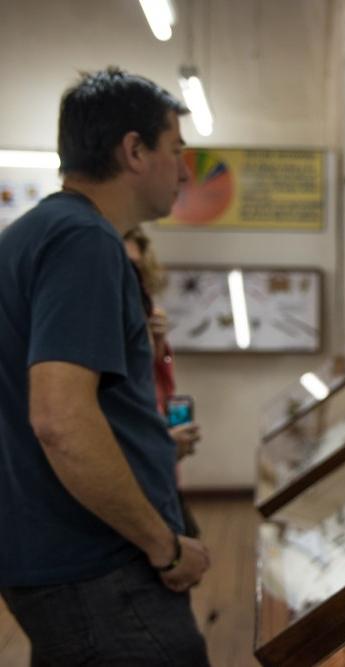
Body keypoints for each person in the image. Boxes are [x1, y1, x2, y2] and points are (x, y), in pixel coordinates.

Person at [0, 67, 211, 665]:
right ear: (134, 150)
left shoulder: (31, 236)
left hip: (56, 561)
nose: (185, 170)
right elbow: (59, 420)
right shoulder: (84, 242)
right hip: (99, 571)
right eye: (176, 151)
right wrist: (164, 546)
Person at [124, 226, 202, 537]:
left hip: (155, 467)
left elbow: (156, 387)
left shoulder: (145, 317)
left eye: (137, 270)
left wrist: (156, 345)